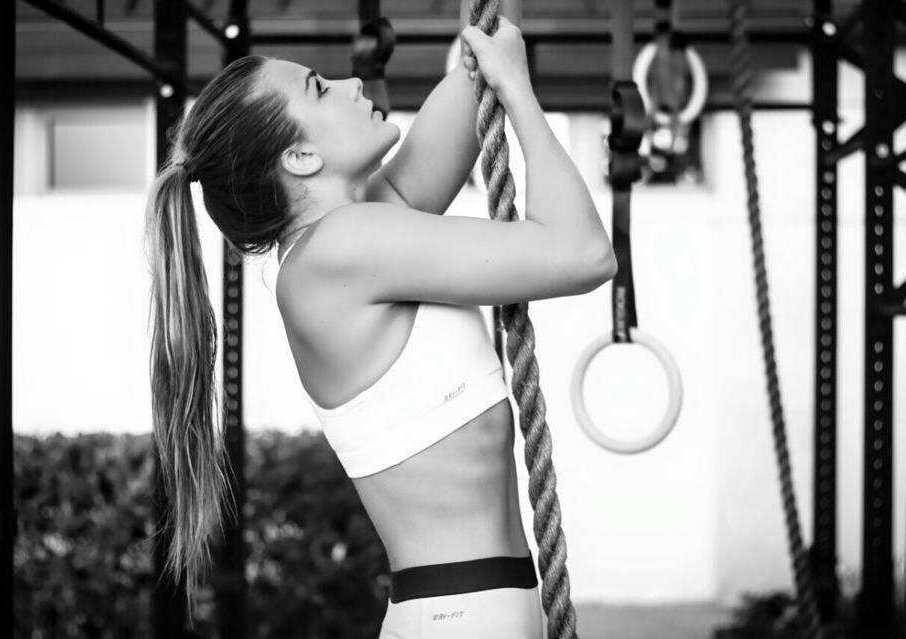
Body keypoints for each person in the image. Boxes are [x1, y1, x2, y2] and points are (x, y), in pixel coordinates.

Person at [144, 15, 616, 638]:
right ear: (301, 157)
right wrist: (520, 93)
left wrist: (491, 40)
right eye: (320, 89)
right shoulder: (340, 249)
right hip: (461, 616)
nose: (351, 83)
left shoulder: (352, 237)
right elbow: (584, 254)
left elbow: (477, 67)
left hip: (470, 609)